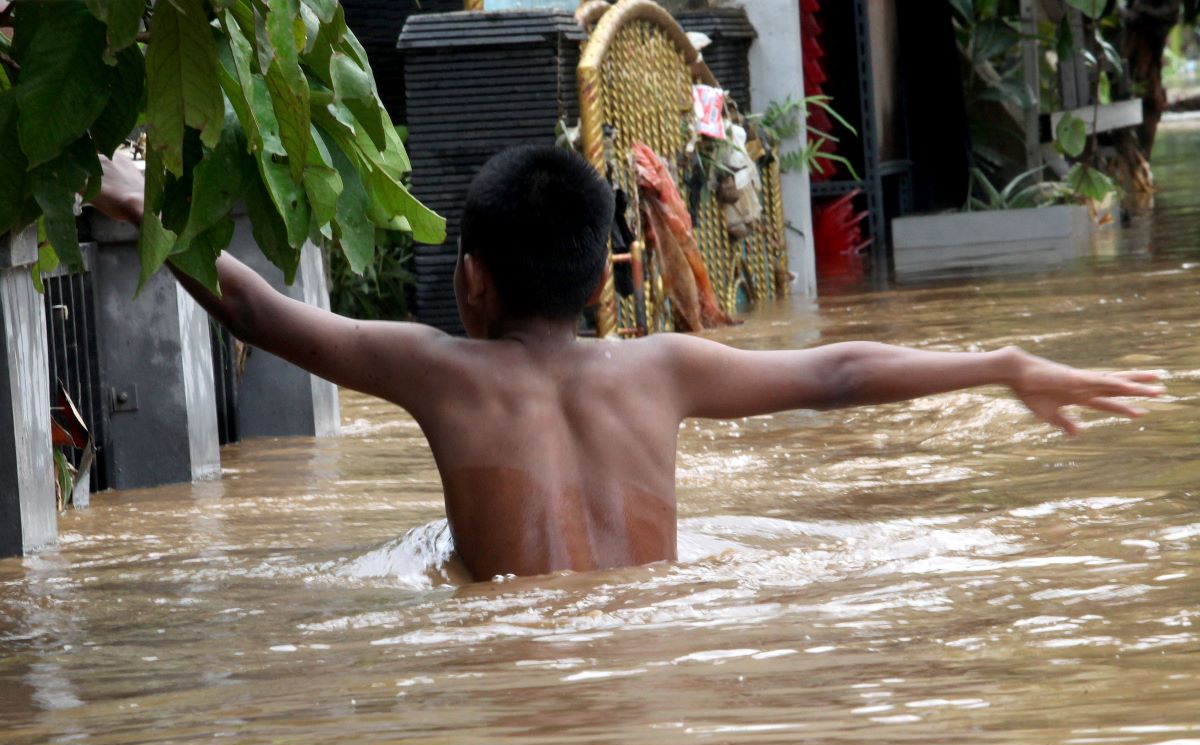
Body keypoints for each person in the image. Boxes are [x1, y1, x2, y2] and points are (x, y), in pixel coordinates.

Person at [93, 146, 1164, 581]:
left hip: (517, 653)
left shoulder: (438, 370)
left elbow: (266, 314)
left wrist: (138, 195)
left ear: (472, 279)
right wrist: (1001, 360)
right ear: (604, 284)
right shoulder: (662, 369)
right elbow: (837, 373)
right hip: (657, 638)